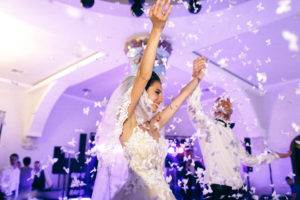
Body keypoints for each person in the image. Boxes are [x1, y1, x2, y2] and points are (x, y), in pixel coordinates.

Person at [92, 0, 207, 199]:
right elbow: (144, 76)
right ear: (141, 92)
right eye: (156, 92)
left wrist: (196, 79)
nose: (160, 99)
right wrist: (157, 29)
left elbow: (177, 102)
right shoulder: (126, 122)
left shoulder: (153, 124)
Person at [187, 72, 292, 199]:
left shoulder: (234, 137)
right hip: (218, 192)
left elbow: (249, 160)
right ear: (214, 111)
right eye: (220, 102)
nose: (227, 102)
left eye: (228, 101)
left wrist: (277, 155)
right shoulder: (208, 127)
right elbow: (193, 109)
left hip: (238, 192)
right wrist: (196, 78)